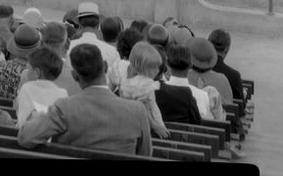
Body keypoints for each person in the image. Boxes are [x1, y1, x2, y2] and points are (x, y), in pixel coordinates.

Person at [18, 44, 153, 156]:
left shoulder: (64, 108)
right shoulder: (137, 110)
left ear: (74, 76)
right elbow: (145, 155)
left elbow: (25, 138)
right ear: (105, 67)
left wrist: (38, 115)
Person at [118, 42, 172, 139]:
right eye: (154, 67)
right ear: (143, 67)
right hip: (139, 127)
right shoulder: (145, 86)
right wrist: (158, 126)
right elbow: (146, 111)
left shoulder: (123, 72)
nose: (157, 71)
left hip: (123, 122)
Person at [15, 46, 70, 125]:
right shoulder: (63, 93)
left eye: (28, 68)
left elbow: (22, 121)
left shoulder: (27, 88)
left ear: (37, 72)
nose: (26, 71)